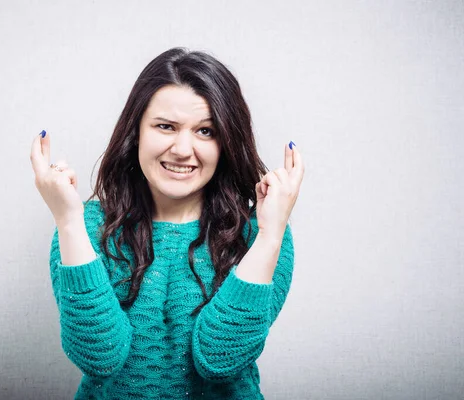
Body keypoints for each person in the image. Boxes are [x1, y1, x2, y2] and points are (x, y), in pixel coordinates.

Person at [30, 47, 305, 400]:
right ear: (137, 132)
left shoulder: (260, 233)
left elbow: (220, 360)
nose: (182, 149)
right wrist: (68, 222)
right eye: (165, 126)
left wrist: (269, 237)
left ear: (225, 143)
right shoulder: (86, 227)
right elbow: (99, 358)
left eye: (206, 131)